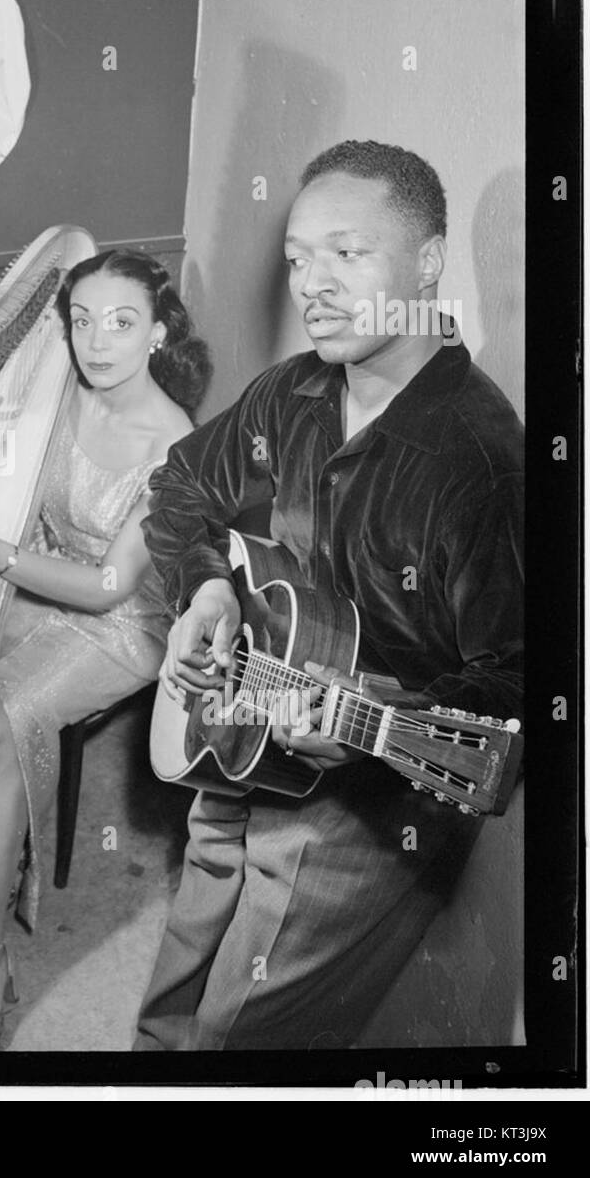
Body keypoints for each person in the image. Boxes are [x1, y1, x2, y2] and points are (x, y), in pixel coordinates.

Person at [134, 141, 524, 1050]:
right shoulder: (293, 392)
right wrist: (205, 595)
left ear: (426, 264)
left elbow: (512, 690)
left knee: (237, 1038)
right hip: (237, 732)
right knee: (172, 998)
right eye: (301, 259)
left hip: (360, 817)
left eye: (347, 254)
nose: (313, 284)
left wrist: (376, 724)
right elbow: (180, 488)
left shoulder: (481, 466)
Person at [0, 249, 212, 1050]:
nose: (97, 341)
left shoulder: (173, 443)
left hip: (123, 625)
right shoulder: (55, 391)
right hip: (40, 581)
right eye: (81, 321)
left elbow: (113, 584)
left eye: (120, 323)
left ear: (157, 332)